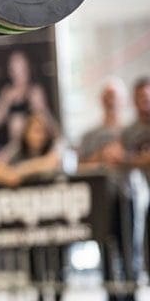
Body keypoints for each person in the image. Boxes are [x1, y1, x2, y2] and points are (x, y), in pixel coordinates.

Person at [0, 111, 64, 301]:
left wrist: (19, 171)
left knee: (57, 260)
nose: (37, 136)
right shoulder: (17, 149)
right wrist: (11, 174)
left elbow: (49, 162)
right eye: (34, 130)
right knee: (34, 260)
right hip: (31, 217)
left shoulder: (57, 145)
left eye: (41, 131)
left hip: (57, 216)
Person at [78, 78, 135, 301]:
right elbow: (81, 165)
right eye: (108, 97)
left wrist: (124, 158)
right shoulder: (91, 134)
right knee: (105, 250)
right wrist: (101, 157)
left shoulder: (130, 131)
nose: (111, 102)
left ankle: (130, 295)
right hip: (101, 200)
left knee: (129, 249)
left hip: (127, 196)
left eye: (115, 97)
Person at [0, 50, 50, 147]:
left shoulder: (35, 91)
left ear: (27, 69)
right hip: (13, 144)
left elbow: (44, 119)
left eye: (21, 69)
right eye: (14, 69)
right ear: (10, 71)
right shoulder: (7, 92)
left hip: (33, 144)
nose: (18, 73)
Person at [122, 76, 150, 282]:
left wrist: (132, 160)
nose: (145, 100)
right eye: (141, 96)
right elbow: (119, 158)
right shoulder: (130, 132)